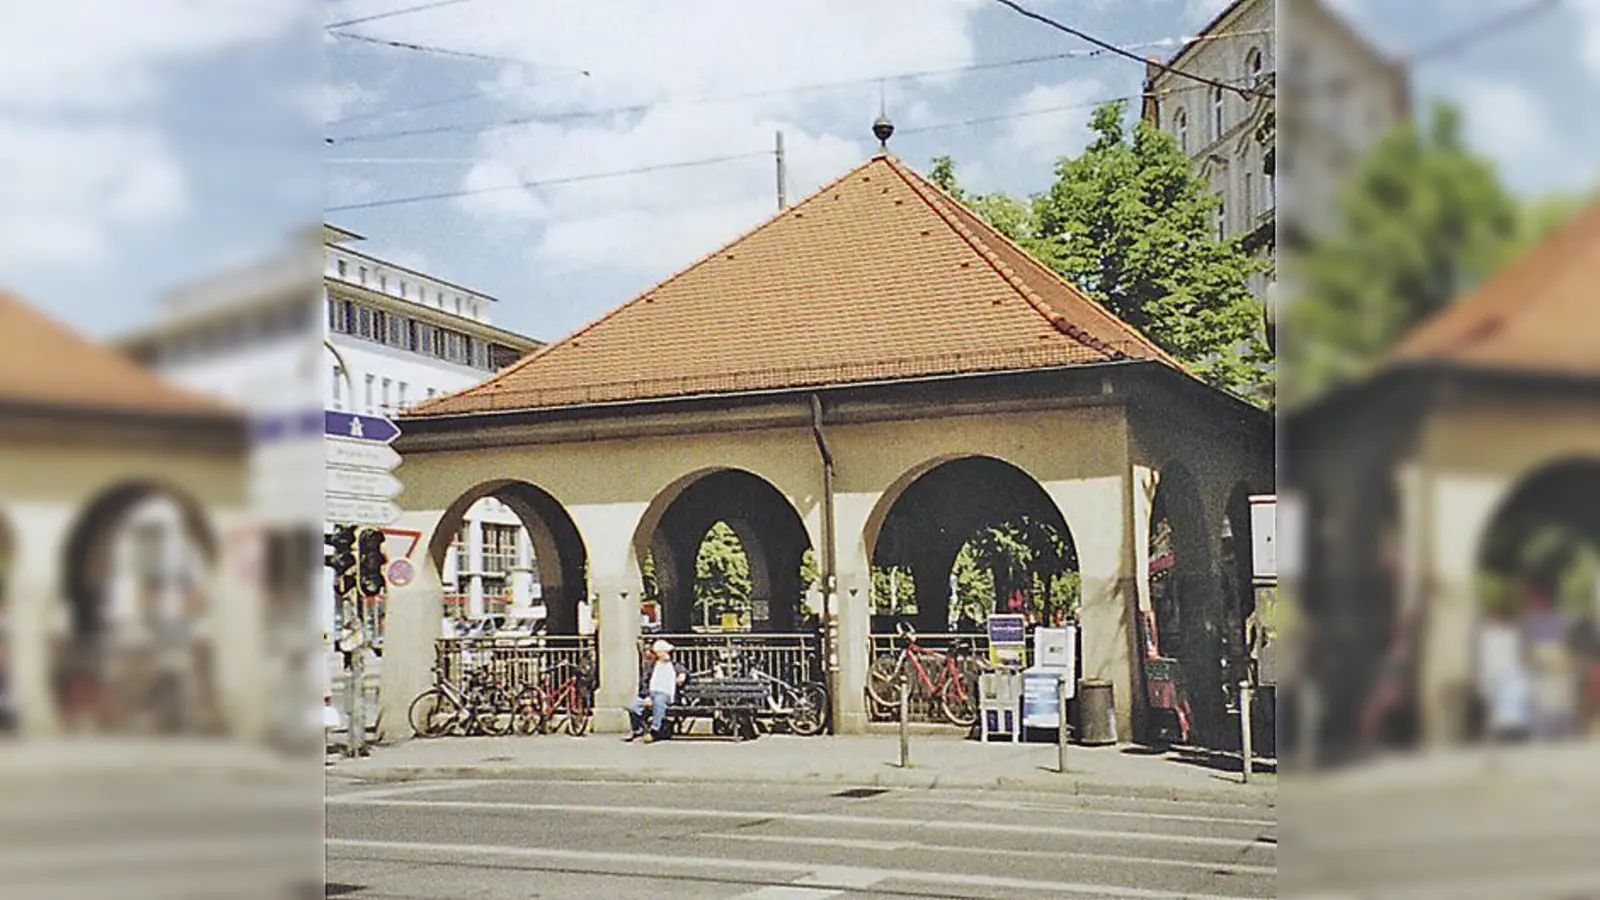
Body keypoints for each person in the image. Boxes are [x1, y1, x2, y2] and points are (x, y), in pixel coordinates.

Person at [625, 639, 686, 743]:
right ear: (659, 654)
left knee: (659, 700)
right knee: (633, 707)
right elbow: (644, 683)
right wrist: (647, 696)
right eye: (665, 652)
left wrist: (683, 675)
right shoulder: (652, 667)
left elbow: (684, 672)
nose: (668, 655)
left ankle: (655, 730)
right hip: (651, 694)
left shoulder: (675, 666)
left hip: (666, 695)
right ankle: (638, 730)